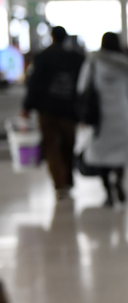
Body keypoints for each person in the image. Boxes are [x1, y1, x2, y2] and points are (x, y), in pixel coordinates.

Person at [20, 26, 84, 200]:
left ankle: (60, 183)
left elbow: (34, 84)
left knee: (51, 147)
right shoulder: (76, 58)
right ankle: (68, 179)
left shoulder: (43, 57)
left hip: (47, 110)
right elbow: (82, 86)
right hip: (69, 110)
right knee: (68, 145)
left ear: (52, 37)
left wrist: (27, 106)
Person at [77, 32, 128, 207]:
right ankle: (119, 183)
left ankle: (107, 192)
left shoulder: (93, 62)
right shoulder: (125, 64)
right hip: (120, 114)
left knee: (101, 155)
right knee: (120, 153)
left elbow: (82, 86)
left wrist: (83, 114)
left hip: (100, 116)